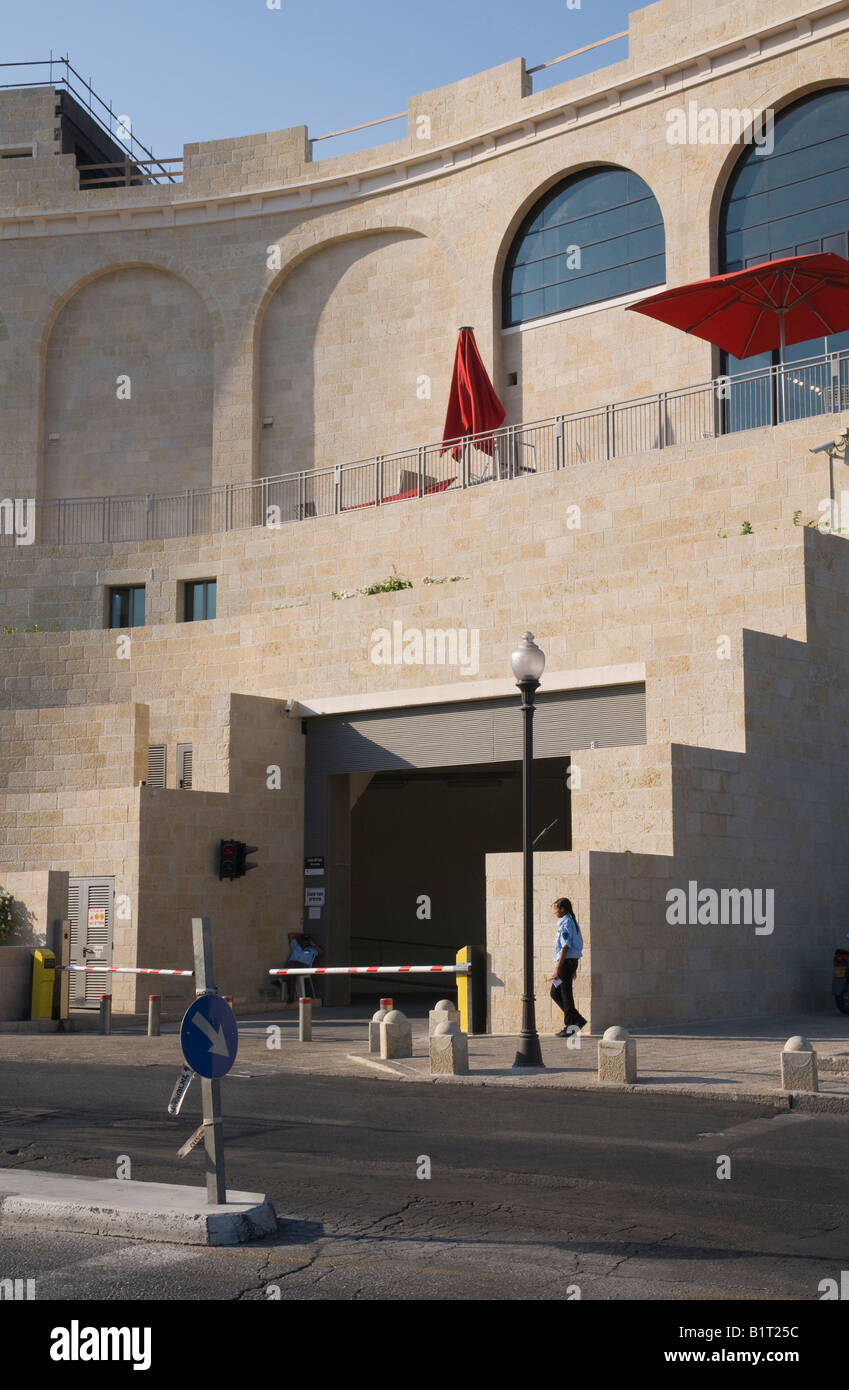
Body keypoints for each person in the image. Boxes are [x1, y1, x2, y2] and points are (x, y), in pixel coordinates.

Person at [550, 897, 587, 1035]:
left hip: (565, 963)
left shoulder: (566, 923)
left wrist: (557, 968)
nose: (555, 912)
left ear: (563, 909)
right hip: (569, 963)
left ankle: (571, 1026)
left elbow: (565, 947)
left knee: (565, 994)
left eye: (556, 909)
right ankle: (577, 1020)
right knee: (555, 993)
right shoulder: (571, 922)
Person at [284, 932, 323, 1003]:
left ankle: (281, 979)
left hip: (303, 967)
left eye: (307, 940)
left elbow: (321, 952)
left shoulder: (311, 950)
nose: (305, 942)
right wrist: (300, 935)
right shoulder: (296, 946)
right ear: (301, 940)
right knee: (291, 973)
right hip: (292, 967)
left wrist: (313, 944)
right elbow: (290, 935)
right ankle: (291, 996)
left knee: (290, 966)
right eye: (303, 940)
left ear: (309, 941)